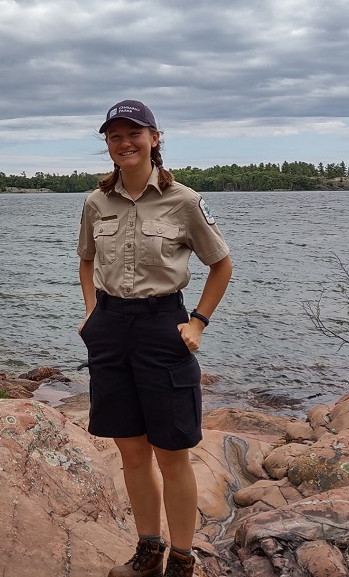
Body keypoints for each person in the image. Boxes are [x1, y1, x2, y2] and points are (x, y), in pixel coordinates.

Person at [77, 100, 233, 577]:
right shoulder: (95, 202)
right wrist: (90, 314)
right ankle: (149, 551)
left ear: (154, 138)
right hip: (111, 327)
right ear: (107, 143)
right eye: (114, 136)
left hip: (164, 325)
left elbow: (221, 263)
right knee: (131, 450)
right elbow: (86, 259)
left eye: (134, 134)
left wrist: (198, 321)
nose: (124, 143)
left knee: (172, 451)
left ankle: (182, 559)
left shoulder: (183, 200)